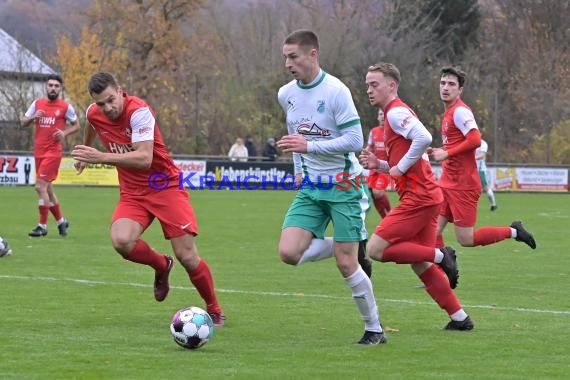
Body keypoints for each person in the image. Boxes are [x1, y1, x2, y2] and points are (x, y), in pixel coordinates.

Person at [71, 72, 225, 326]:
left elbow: (144, 158)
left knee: (187, 256)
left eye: (111, 100)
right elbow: (91, 123)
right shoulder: (93, 112)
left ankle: (214, 308)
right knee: (121, 240)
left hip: (164, 186)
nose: (107, 108)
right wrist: (84, 153)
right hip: (132, 192)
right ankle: (161, 266)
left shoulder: (138, 112)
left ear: (120, 91)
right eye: (101, 104)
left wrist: (100, 157)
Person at [276, 30, 384, 345]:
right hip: (310, 186)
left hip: (345, 184)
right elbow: (293, 133)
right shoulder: (286, 94)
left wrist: (308, 147)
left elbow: (354, 141)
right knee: (288, 252)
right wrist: (299, 167)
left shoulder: (336, 91)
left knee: (346, 262)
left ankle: (374, 329)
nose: (288, 63)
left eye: (293, 56)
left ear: (313, 55)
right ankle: (348, 243)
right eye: (285, 57)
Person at [360, 62, 473, 331]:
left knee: (376, 250)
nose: (369, 90)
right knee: (419, 264)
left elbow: (424, 137)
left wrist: (396, 168)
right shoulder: (392, 115)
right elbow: (415, 156)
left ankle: (441, 255)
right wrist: (382, 165)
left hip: (419, 198)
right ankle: (460, 319)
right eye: (367, 85)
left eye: (374, 84)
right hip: (425, 195)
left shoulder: (396, 112)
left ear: (391, 86)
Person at [429, 66, 536, 252]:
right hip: (447, 182)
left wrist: (446, 153)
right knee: (431, 231)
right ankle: (440, 276)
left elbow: (475, 139)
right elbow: (457, 144)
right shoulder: (448, 112)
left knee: (466, 239)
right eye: (443, 83)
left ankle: (514, 231)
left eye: (451, 84)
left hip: (463, 185)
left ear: (460, 90)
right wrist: (442, 150)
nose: (445, 87)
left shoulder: (460, 111)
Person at [20, 73, 79, 237]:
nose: (53, 88)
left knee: (40, 187)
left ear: (60, 89)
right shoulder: (37, 104)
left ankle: (42, 226)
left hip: (53, 152)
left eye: (56, 86)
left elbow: (77, 125)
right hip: (38, 151)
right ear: (46, 87)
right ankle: (61, 221)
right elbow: (22, 122)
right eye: (50, 85)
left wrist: (65, 133)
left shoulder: (66, 107)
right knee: (48, 189)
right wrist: (32, 118)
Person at [364, 108, 392, 218]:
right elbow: (370, 147)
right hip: (373, 168)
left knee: (378, 192)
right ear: (377, 117)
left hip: (385, 168)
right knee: (373, 194)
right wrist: (364, 154)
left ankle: (390, 213)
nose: (382, 116)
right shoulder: (374, 131)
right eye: (380, 114)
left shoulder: (392, 132)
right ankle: (385, 219)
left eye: (384, 114)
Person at [475, 139, 497, 211]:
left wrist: (473, 158)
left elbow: (482, 155)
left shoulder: (483, 143)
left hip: (480, 170)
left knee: (485, 187)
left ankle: (493, 204)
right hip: (471, 169)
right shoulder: (470, 141)